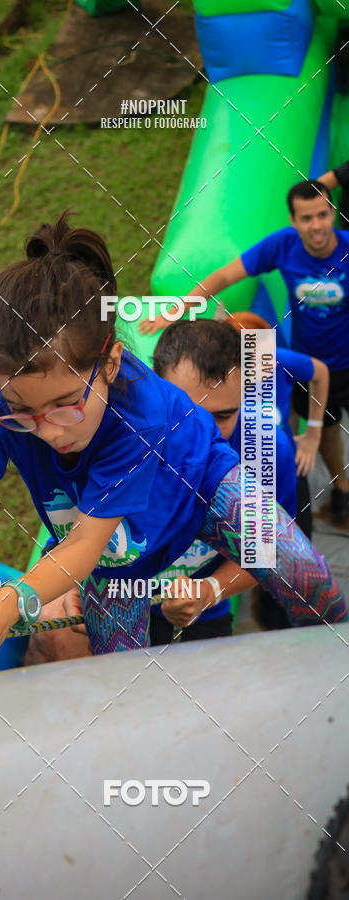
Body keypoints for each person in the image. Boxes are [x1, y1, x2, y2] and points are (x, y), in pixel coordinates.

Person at [0, 213, 347, 661]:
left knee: (303, 573)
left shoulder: (139, 416)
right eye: (25, 411)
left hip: (198, 488)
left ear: (110, 363)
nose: (48, 430)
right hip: (119, 552)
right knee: (116, 671)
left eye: (66, 404)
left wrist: (8, 603)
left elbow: (83, 546)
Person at [140, 180, 349, 526]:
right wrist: (177, 309)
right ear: (293, 220)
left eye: (323, 215)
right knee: (325, 427)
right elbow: (225, 275)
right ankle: (341, 486)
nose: (316, 226)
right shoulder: (282, 246)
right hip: (310, 357)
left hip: (345, 360)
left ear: (334, 213)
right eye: (306, 218)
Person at [148, 319, 299, 643]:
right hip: (123, 601)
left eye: (223, 416)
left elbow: (265, 549)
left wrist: (211, 590)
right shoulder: (121, 437)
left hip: (208, 607)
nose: (203, 432)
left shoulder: (268, 449)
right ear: (155, 388)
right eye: (186, 411)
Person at [225, 310, 329, 540]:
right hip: (238, 486)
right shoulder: (216, 382)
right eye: (258, 356)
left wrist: (313, 433)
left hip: (287, 475)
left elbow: (320, 373)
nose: (268, 362)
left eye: (268, 350)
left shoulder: (280, 361)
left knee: (299, 545)